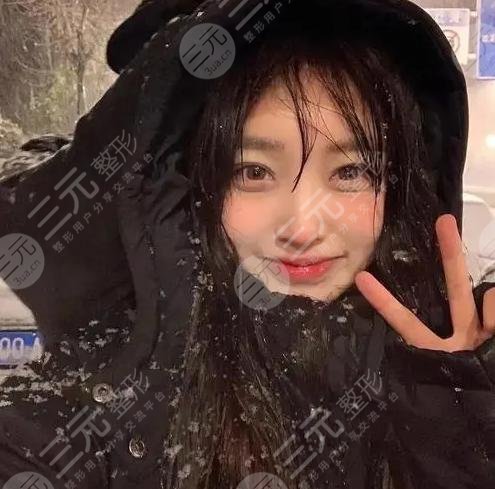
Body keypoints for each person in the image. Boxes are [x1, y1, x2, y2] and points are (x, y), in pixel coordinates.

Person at [1, 0, 495, 488]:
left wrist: (459, 437)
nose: (303, 227)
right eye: (254, 172)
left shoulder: (463, 379)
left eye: (350, 172)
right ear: (191, 189)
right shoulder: (89, 418)